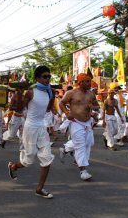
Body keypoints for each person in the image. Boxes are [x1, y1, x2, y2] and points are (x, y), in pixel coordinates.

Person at [7, 65, 55, 199]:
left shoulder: (48, 92)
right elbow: (20, 108)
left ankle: (39, 189)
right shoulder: (30, 92)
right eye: (45, 77)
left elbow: (48, 109)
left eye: (49, 76)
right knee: (28, 161)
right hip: (30, 127)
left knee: (46, 158)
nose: (48, 79)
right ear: (38, 78)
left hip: (41, 127)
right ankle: (13, 166)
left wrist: (53, 97)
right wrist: (18, 97)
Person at [59, 73, 100, 180]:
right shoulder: (71, 93)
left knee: (89, 143)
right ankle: (83, 171)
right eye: (87, 81)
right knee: (80, 145)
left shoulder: (91, 94)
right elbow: (61, 103)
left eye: (89, 81)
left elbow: (97, 106)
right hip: (76, 122)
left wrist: (93, 108)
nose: (89, 83)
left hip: (87, 122)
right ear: (80, 82)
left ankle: (65, 149)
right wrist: (67, 113)